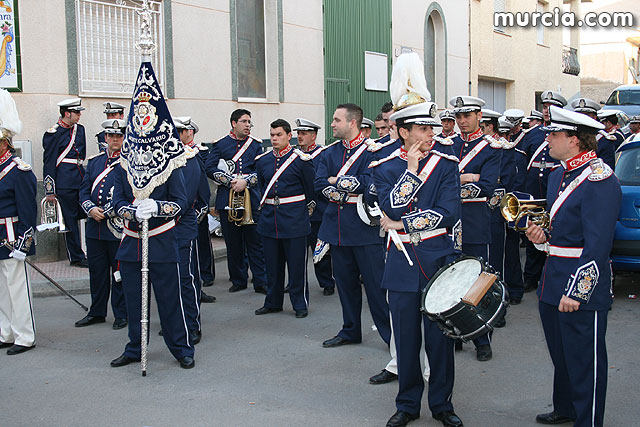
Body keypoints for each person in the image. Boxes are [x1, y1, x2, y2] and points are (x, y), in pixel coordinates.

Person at [526, 106, 620, 427]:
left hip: (582, 286)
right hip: (552, 281)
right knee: (562, 356)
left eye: (554, 134)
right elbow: (559, 231)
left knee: (585, 362)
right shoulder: (558, 174)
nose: (548, 139)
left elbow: (598, 243)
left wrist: (578, 292)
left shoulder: (600, 178)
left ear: (576, 140)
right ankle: (565, 407)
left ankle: (588, 420)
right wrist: (540, 236)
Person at [371, 97, 463, 427]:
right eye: (423, 129)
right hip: (401, 262)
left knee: (440, 340)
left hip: (437, 257)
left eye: (431, 128)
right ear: (403, 132)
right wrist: (410, 171)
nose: (430, 134)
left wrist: (405, 224)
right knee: (406, 341)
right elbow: (392, 208)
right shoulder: (383, 168)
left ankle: (442, 403)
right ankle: (408, 404)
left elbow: (449, 212)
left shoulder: (446, 164)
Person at [315, 103, 391, 348]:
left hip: (364, 229)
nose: (332, 124)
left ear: (352, 123)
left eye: (337, 120)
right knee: (345, 286)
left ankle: (390, 336)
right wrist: (341, 186)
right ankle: (350, 330)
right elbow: (318, 184)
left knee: (376, 288)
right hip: (337, 229)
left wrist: (336, 180)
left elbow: (372, 184)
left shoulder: (373, 152)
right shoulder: (329, 153)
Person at [450, 95, 501, 361]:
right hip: (449, 223)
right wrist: (470, 177)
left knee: (477, 283)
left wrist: (461, 181)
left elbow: (488, 185)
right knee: (450, 282)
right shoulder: (448, 145)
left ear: (479, 116)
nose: (462, 121)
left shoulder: (491, 148)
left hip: (474, 222)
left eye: (467, 116)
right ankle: (455, 332)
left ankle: (482, 338)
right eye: (458, 116)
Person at [254, 119, 316, 318]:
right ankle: (273, 302)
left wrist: (304, 214)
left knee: (297, 266)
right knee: (272, 266)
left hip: (295, 220)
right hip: (270, 220)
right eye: (272, 135)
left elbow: (311, 190)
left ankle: (300, 304)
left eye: (279, 135)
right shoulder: (263, 160)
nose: (274, 138)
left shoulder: (301, 160)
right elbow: (262, 187)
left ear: (289, 136)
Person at [205, 109, 268, 294]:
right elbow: (209, 167)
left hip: (251, 198)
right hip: (228, 198)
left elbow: (261, 169)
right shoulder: (221, 144)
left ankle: (260, 280)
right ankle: (238, 279)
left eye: (250, 122)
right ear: (234, 123)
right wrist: (229, 181)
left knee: (255, 242)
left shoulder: (256, 145)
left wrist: (246, 182)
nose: (248, 125)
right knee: (233, 243)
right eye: (244, 121)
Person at [75, 119, 128, 330]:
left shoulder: (129, 162)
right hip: (94, 228)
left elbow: (131, 195)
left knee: (118, 273)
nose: (115, 140)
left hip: (116, 227)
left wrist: (106, 212)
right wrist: (89, 208)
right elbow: (84, 189)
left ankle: (121, 313)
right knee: (97, 272)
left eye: (119, 136)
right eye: (111, 136)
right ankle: (97, 311)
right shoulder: (95, 162)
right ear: (105, 138)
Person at [0, 89, 38, 355]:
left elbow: (28, 212)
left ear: (5, 143)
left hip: (13, 234)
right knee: (2, 290)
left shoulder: (19, 170)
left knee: (17, 288)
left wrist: (24, 243)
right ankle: (5, 332)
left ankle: (25, 335)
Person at [521, 90, 566, 293]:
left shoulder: (567, 133)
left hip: (558, 190)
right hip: (534, 191)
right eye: (545, 107)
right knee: (534, 232)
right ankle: (531, 277)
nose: (547, 111)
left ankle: (553, 277)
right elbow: (522, 163)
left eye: (551, 107)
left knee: (557, 233)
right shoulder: (533, 135)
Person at [173, 117, 212, 345]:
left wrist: (190, 221)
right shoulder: (164, 160)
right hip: (164, 230)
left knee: (187, 279)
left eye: (181, 132)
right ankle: (173, 321)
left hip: (184, 226)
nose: (178, 136)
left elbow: (201, 197)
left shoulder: (192, 159)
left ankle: (191, 324)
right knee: (169, 281)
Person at [42, 98, 88, 267]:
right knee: (70, 220)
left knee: (86, 214)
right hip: (64, 182)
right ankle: (76, 256)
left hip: (80, 178)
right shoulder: (52, 133)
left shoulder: (80, 130)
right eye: (76, 112)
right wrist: (49, 190)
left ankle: (87, 250)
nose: (79, 115)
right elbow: (49, 162)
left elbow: (80, 156)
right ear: (67, 113)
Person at [294, 118, 335, 296]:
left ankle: (327, 282)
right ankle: (297, 283)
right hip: (297, 211)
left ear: (314, 135)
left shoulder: (324, 154)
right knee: (296, 252)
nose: (300, 137)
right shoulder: (294, 156)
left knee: (320, 248)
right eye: (298, 133)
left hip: (319, 209)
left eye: (304, 134)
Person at [571, 98, 616, 169]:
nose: (582, 119)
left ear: (594, 117)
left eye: (586, 115)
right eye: (579, 115)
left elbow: (607, 170)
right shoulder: (568, 138)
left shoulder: (604, 141)